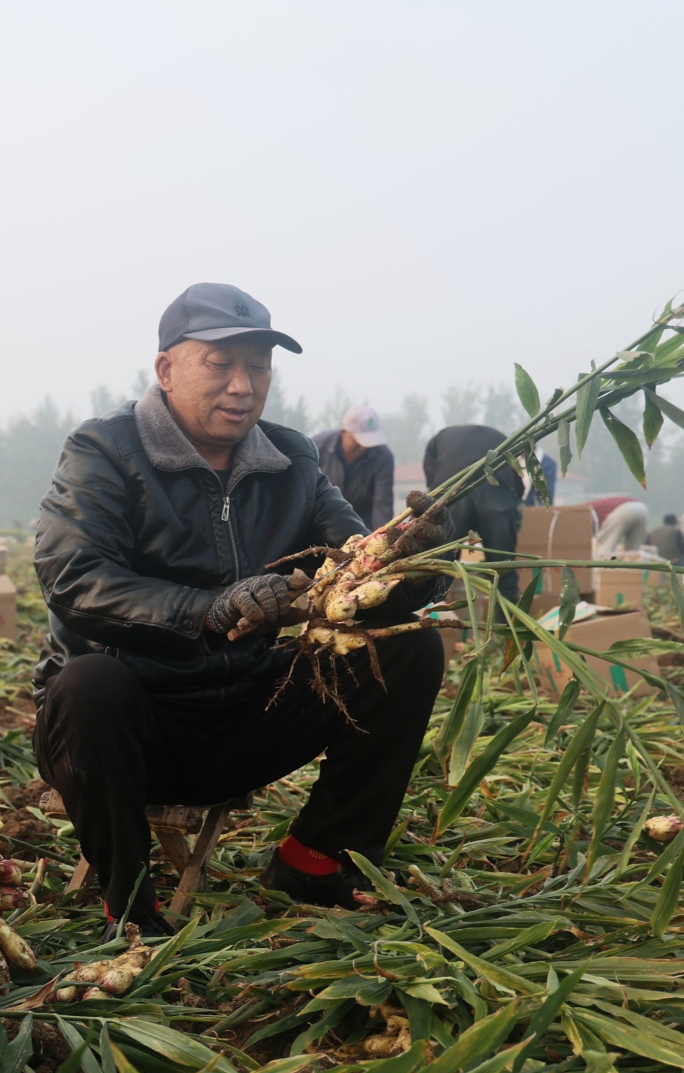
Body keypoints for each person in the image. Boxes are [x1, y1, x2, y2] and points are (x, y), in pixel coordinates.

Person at [33, 283, 446, 936]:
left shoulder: (291, 458)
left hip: (249, 711)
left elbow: (351, 568)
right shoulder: (105, 450)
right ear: (166, 368)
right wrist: (204, 609)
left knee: (409, 646)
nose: (242, 385)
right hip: (135, 725)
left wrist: (412, 563)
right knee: (88, 685)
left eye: (257, 365)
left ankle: (313, 858)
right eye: (220, 363)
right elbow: (73, 576)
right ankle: (131, 906)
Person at [423, 423, 523, 606]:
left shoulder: (440, 437)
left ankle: (432, 622)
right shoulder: (503, 438)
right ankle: (507, 629)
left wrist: (437, 501)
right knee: (502, 570)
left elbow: (431, 476)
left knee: (440, 570)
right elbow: (517, 483)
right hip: (496, 492)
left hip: (452, 494)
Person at [311, 403, 396, 529]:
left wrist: (382, 536)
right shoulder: (317, 446)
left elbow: (382, 505)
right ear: (344, 432)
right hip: (319, 520)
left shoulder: (383, 457)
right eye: (359, 441)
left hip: (361, 525)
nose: (364, 447)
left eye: (369, 442)